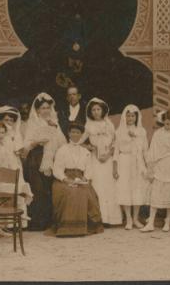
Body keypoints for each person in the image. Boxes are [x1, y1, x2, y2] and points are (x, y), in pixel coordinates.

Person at [52, 122, 104, 237]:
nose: (75, 135)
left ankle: (85, 226)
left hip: (80, 178)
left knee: (85, 192)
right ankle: (67, 228)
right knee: (70, 192)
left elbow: (89, 169)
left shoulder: (85, 152)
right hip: (64, 179)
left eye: (78, 132)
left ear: (81, 135)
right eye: (73, 132)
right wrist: (65, 179)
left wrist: (84, 178)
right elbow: (57, 169)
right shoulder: (62, 149)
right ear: (68, 134)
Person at [23, 92, 66, 231]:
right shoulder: (32, 123)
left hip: (51, 158)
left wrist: (54, 127)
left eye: (48, 107)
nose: (46, 110)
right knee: (38, 189)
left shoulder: (54, 122)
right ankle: (38, 222)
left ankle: (50, 221)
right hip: (36, 158)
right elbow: (27, 144)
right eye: (43, 108)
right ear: (37, 110)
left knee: (49, 189)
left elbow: (62, 142)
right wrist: (38, 141)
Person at [0, 121, 33, 221]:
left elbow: (10, 160)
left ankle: (19, 213)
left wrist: (12, 172)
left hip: (4, 173)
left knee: (19, 185)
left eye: (2, 133)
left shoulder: (6, 144)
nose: (1, 135)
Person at [82, 97, 122, 225]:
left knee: (109, 186)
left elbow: (115, 143)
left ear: (103, 110)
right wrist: (91, 148)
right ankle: (100, 218)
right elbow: (79, 141)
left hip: (108, 159)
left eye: (98, 109)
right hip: (96, 159)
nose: (96, 112)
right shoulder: (88, 125)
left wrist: (108, 154)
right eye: (93, 110)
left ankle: (112, 218)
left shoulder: (109, 124)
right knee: (98, 185)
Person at [112, 104, 149, 230]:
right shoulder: (119, 131)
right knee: (125, 189)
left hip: (138, 162)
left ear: (136, 117)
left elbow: (145, 150)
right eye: (128, 116)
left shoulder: (142, 131)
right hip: (124, 161)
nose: (130, 118)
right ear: (124, 117)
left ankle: (135, 218)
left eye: (133, 116)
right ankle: (128, 219)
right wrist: (115, 168)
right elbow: (116, 151)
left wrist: (147, 166)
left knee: (137, 189)